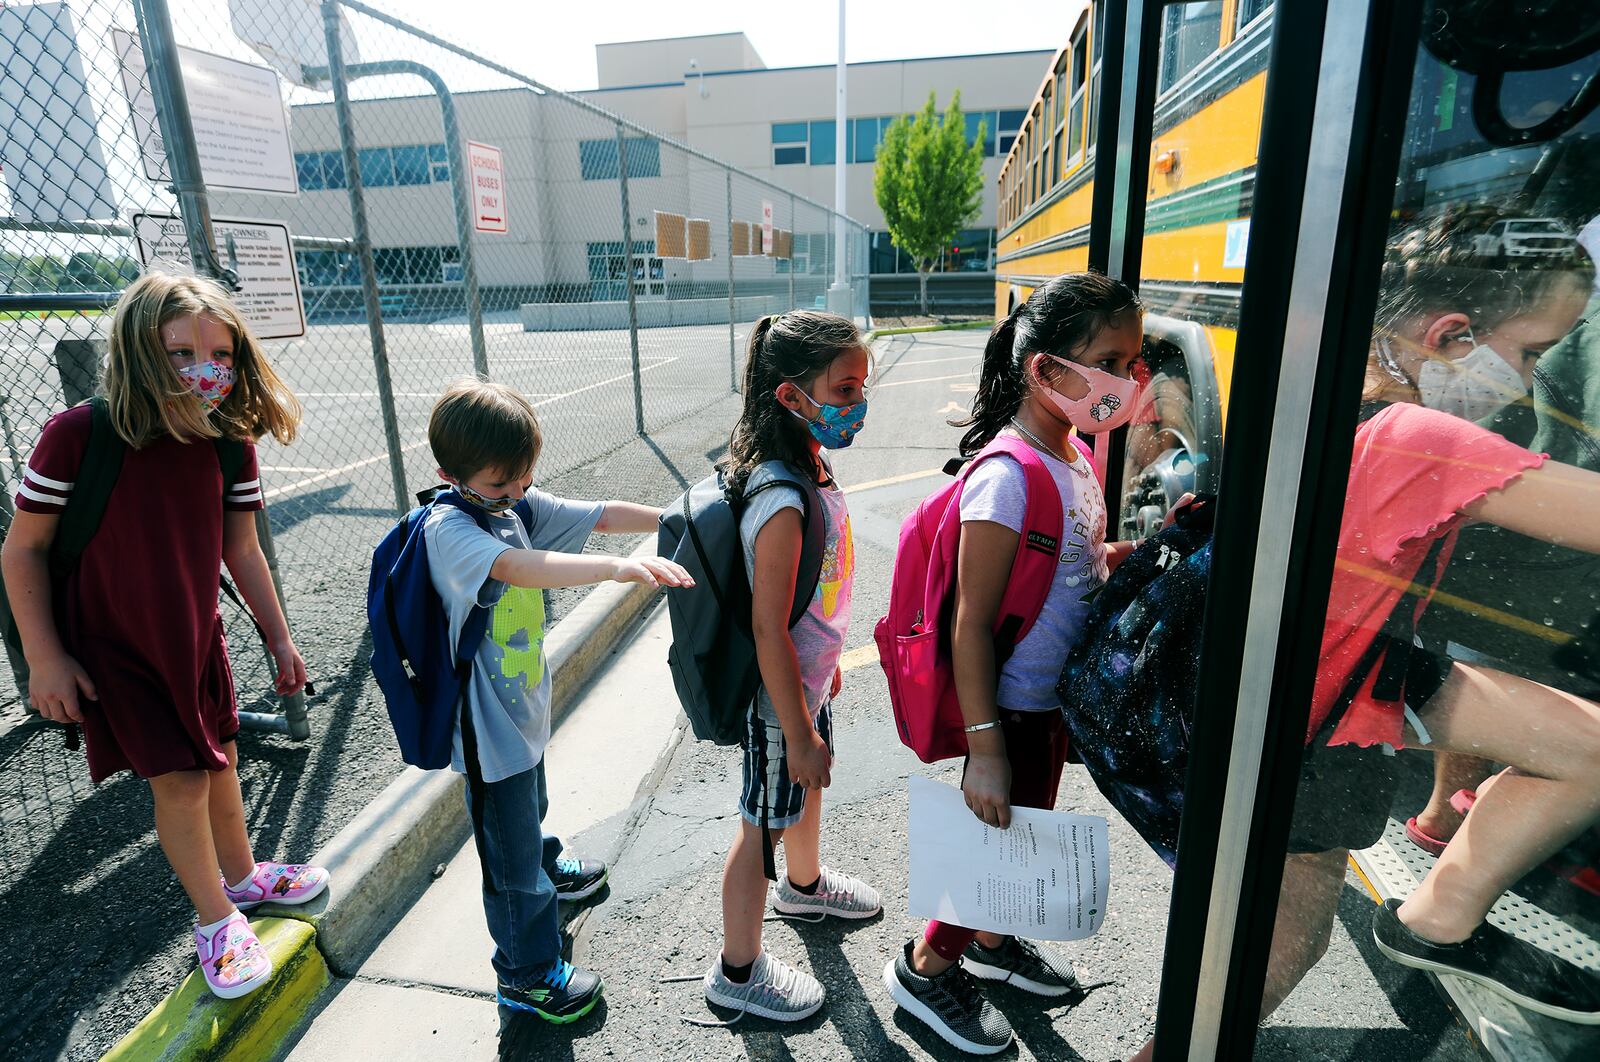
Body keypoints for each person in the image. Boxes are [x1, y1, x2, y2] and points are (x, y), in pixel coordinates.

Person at [1124, 219, 1600, 1061]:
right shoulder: (1427, 437)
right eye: (1532, 354)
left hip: (1349, 665)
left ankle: (1438, 919)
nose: (1530, 383)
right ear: (1452, 336)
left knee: (1590, 747)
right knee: (1283, 951)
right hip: (1319, 717)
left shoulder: (1345, 388)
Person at [0, 272, 324, 1000]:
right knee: (178, 782)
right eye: (180, 353)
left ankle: (243, 879)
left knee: (221, 761)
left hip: (194, 637)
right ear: (138, 351)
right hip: (114, 648)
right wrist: (45, 659)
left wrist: (279, 639)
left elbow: (241, 551)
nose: (204, 369)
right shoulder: (77, 436)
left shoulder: (226, 439)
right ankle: (215, 920)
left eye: (221, 352)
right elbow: (20, 550)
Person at [884, 273, 1147, 1056]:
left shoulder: (1074, 455)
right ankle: (927, 967)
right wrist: (987, 753)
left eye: (1133, 362)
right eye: (1111, 359)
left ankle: (994, 949)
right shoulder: (1005, 478)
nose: (1128, 380)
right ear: (1047, 372)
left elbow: (1079, 564)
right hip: (1014, 707)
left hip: (1051, 701)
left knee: (1023, 834)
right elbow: (969, 625)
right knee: (999, 840)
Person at [421, 378, 692, 1025]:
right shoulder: (450, 529)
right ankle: (525, 974)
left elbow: (595, 512)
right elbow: (518, 569)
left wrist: (673, 519)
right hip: (487, 729)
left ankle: (546, 865)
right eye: (499, 484)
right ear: (449, 474)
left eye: (522, 480)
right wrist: (616, 568)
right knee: (508, 862)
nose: (515, 494)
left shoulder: (508, 504)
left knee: (529, 813)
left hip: (520, 712)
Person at [700, 311, 881, 1023]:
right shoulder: (778, 498)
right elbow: (767, 629)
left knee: (804, 794)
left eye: (861, 386)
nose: (858, 403)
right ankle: (738, 971)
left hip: (806, 684)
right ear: (791, 396)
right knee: (759, 825)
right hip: (781, 700)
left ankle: (804, 886)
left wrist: (821, 678)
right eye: (844, 389)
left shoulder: (812, 460)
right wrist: (798, 730)